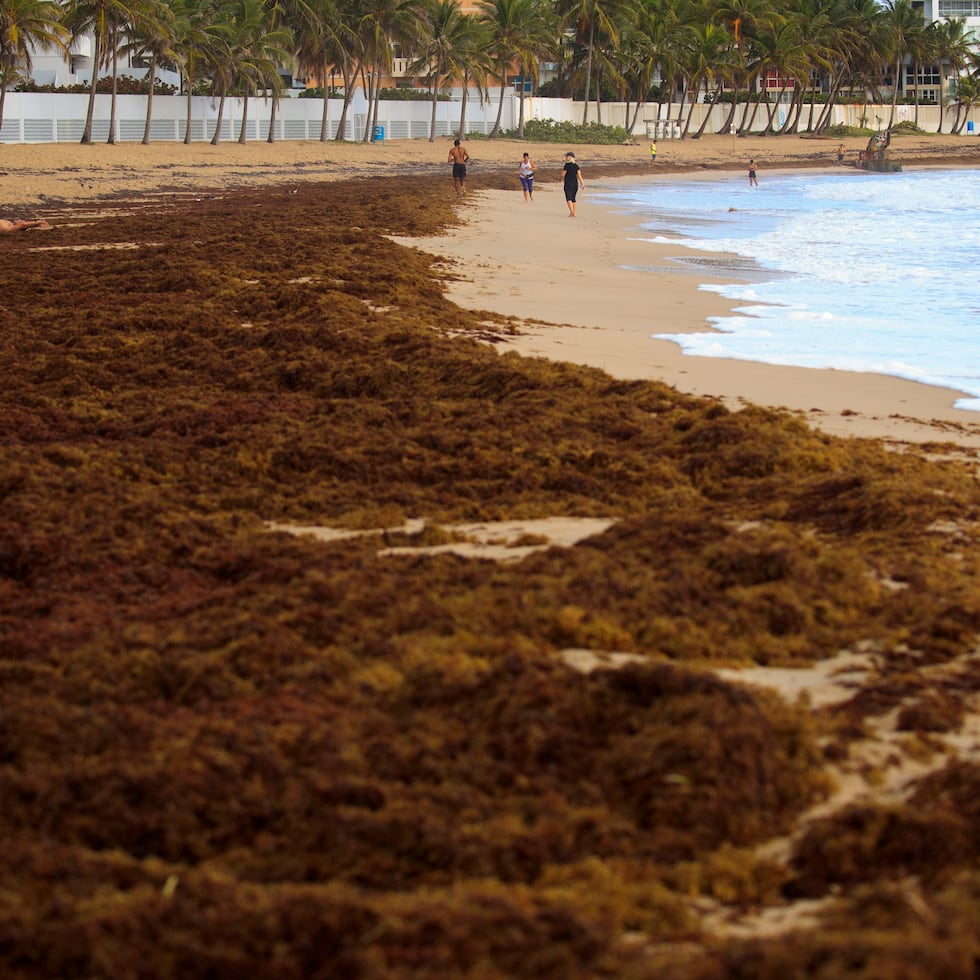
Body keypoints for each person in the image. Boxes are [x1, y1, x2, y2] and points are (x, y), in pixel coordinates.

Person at [562, 152, 584, 217]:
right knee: (573, 198)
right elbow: (579, 176)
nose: (566, 157)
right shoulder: (576, 166)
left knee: (568, 198)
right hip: (575, 184)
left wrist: (560, 178)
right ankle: (573, 212)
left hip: (568, 183)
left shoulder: (567, 165)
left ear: (570, 157)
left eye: (567, 156)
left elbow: (563, 174)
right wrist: (582, 184)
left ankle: (572, 212)